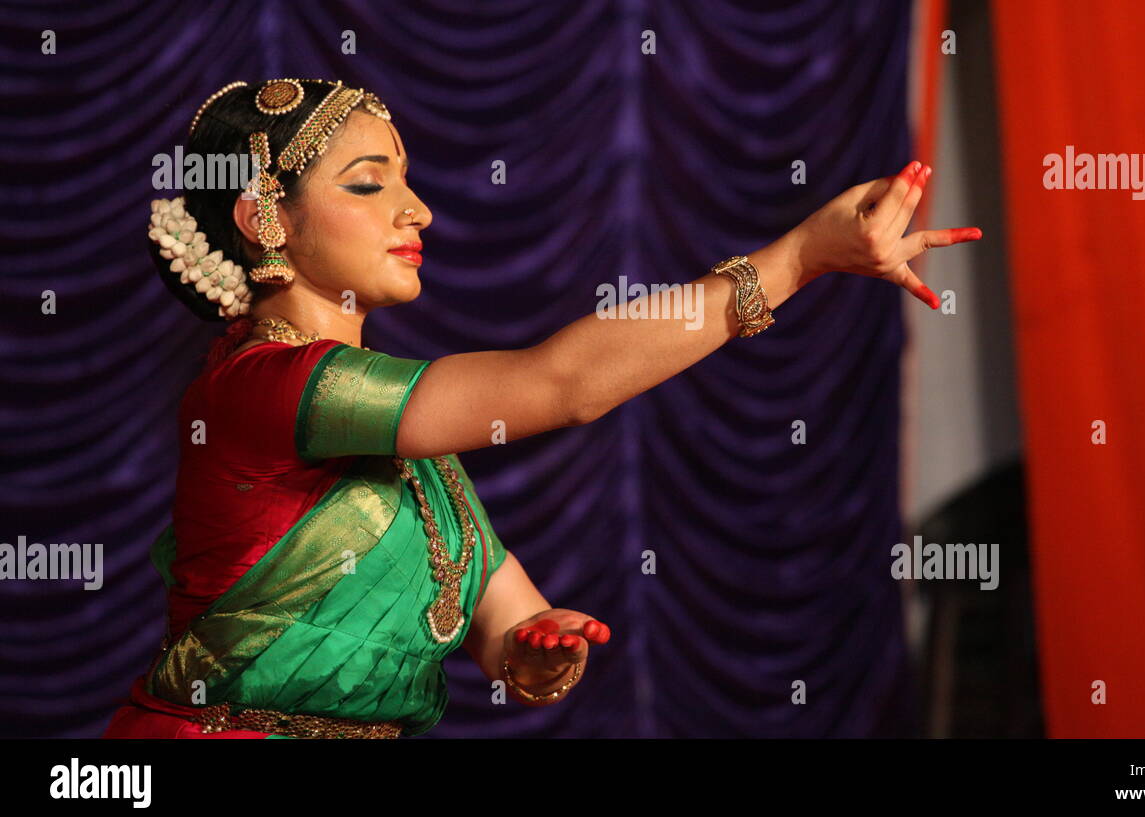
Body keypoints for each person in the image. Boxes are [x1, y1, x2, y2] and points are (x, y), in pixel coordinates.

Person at [103, 77, 980, 738]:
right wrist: (798, 259)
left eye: (407, 180)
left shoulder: (406, 440)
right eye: (369, 185)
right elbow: (559, 384)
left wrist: (532, 650)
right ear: (265, 219)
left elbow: (501, 620)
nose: (420, 210)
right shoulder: (267, 387)